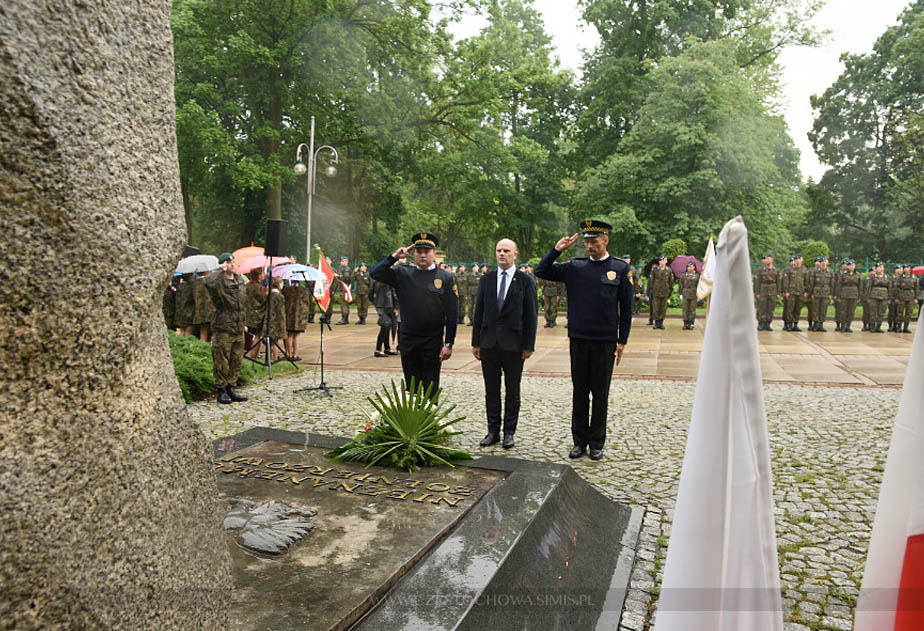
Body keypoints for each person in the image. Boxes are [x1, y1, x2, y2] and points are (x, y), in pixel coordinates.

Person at [535, 220, 633, 461]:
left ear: (606, 240)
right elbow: (541, 271)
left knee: (600, 394)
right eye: (587, 242)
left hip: (605, 341)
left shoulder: (620, 269)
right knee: (580, 393)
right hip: (579, 339)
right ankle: (579, 441)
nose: (590, 246)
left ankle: (596, 443)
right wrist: (557, 250)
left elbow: (626, 308)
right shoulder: (575, 268)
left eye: (594, 241)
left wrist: (622, 340)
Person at [371, 232, 458, 397]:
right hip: (408, 340)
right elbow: (375, 273)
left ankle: (431, 415)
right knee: (411, 390)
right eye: (419, 251)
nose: (423, 255)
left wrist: (449, 343)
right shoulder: (403, 274)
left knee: (431, 388)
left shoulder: (445, 278)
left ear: (434, 253)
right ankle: (413, 415)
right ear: (414, 254)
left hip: (432, 341)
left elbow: (452, 313)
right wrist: (394, 257)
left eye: (427, 251)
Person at [471, 239, 538, 450]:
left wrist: (529, 344)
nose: (502, 254)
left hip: (514, 345)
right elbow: (479, 311)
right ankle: (493, 431)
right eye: (499, 250)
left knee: (512, 391)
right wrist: (476, 342)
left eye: (506, 251)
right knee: (491, 390)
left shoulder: (525, 281)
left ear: (515, 254)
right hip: (489, 343)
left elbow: (531, 315)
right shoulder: (487, 279)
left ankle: (509, 432)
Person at [203, 253, 248, 404]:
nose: (233, 264)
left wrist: (244, 323)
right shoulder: (218, 281)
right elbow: (207, 282)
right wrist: (220, 270)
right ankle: (221, 390)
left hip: (238, 326)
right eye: (230, 262)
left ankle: (231, 387)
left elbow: (242, 304)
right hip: (223, 326)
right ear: (224, 264)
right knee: (221, 360)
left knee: (236, 359)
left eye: (234, 261)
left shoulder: (239, 279)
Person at [806, 255, 834, 331]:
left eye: (825, 261)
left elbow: (832, 284)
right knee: (815, 309)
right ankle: (815, 324)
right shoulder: (815, 271)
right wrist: (811, 293)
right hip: (816, 292)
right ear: (820, 263)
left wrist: (830, 294)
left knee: (823, 309)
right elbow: (812, 283)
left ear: (827, 262)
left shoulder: (830, 271)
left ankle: (821, 325)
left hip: (826, 292)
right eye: (822, 262)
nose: (823, 263)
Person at [371, 281, 399, 357]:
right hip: (389, 305)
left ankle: (387, 348)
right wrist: (397, 306)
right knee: (386, 327)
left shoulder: (375, 281)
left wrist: (376, 303)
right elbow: (394, 294)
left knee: (386, 326)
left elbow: (370, 294)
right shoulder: (389, 280)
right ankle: (378, 350)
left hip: (381, 306)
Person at [753, 253, 780, 331]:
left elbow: (779, 282)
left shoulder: (776, 270)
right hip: (763, 290)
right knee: (762, 307)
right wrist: (757, 292)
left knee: (771, 308)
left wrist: (778, 293)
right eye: (765, 259)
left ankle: (768, 323)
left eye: (768, 259)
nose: (766, 260)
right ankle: (761, 323)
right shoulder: (760, 270)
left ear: (772, 259)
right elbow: (757, 282)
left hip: (773, 290)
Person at [833, 258, 861, 332]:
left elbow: (860, 286)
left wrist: (859, 296)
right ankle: (843, 325)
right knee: (843, 311)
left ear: (855, 265)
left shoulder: (858, 274)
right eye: (849, 265)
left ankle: (848, 326)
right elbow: (839, 285)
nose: (851, 266)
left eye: (852, 265)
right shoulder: (843, 274)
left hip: (854, 295)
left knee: (851, 311)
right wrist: (838, 295)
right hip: (844, 295)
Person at [781, 254, 805, 331]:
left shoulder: (804, 269)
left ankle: (795, 324)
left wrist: (806, 291)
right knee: (789, 309)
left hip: (800, 292)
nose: (797, 260)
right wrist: (786, 291)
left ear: (802, 259)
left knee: (798, 309)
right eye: (796, 259)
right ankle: (789, 324)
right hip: (791, 292)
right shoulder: (788, 269)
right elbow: (785, 281)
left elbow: (806, 281)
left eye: (799, 259)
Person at [649, 255, 673, 329]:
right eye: (661, 260)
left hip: (665, 291)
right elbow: (651, 281)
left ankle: (661, 323)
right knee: (656, 308)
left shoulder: (669, 270)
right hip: (656, 291)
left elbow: (670, 282)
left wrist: (670, 291)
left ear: (666, 261)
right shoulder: (655, 270)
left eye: (664, 260)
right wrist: (651, 290)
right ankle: (656, 323)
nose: (662, 262)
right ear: (659, 261)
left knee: (663, 308)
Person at [895, 264, 918, 333]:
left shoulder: (914, 277)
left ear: (910, 269)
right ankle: (899, 327)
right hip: (901, 296)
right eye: (904, 267)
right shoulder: (900, 277)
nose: (906, 269)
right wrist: (897, 297)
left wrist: (916, 298)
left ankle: (906, 327)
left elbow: (916, 288)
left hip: (911, 297)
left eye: (907, 267)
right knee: (900, 312)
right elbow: (897, 288)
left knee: (909, 313)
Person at [678, 261, 700, 330]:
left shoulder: (697, 276)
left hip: (694, 294)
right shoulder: (683, 275)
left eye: (690, 267)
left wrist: (699, 294)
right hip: (685, 294)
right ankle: (685, 323)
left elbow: (699, 286)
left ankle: (691, 323)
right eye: (688, 267)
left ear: (694, 267)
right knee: (685, 310)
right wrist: (680, 294)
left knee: (692, 310)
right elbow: (681, 285)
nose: (689, 268)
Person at [335, 255, 353, 325]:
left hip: (345, 289)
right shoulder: (343, 269)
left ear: (346, 261)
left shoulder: (346, 269)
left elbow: (346, 279)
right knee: (344, 304)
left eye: (343, 261)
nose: (341, 262)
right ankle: (345, 318)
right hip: (343, 288)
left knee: (344, 304)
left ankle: (344, 318)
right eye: (341, 261)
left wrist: (338, 276)